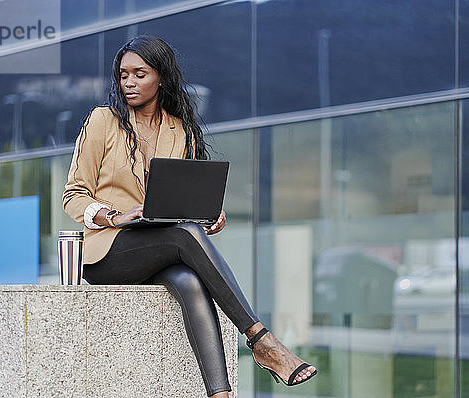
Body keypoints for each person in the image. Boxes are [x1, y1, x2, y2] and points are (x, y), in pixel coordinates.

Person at [62, 35, 317, 397]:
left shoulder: (179, 129)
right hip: (107, 253)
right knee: (184, 235)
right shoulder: (103, 121)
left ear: (161, 78)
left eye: (139, 74)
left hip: (159, 245)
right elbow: (73, 195)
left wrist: (209, 214)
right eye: (123, 75)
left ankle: (220, 394)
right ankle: (261, 341)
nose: (129, 83)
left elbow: (183, 197)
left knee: (189, 281)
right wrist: (115, 216)